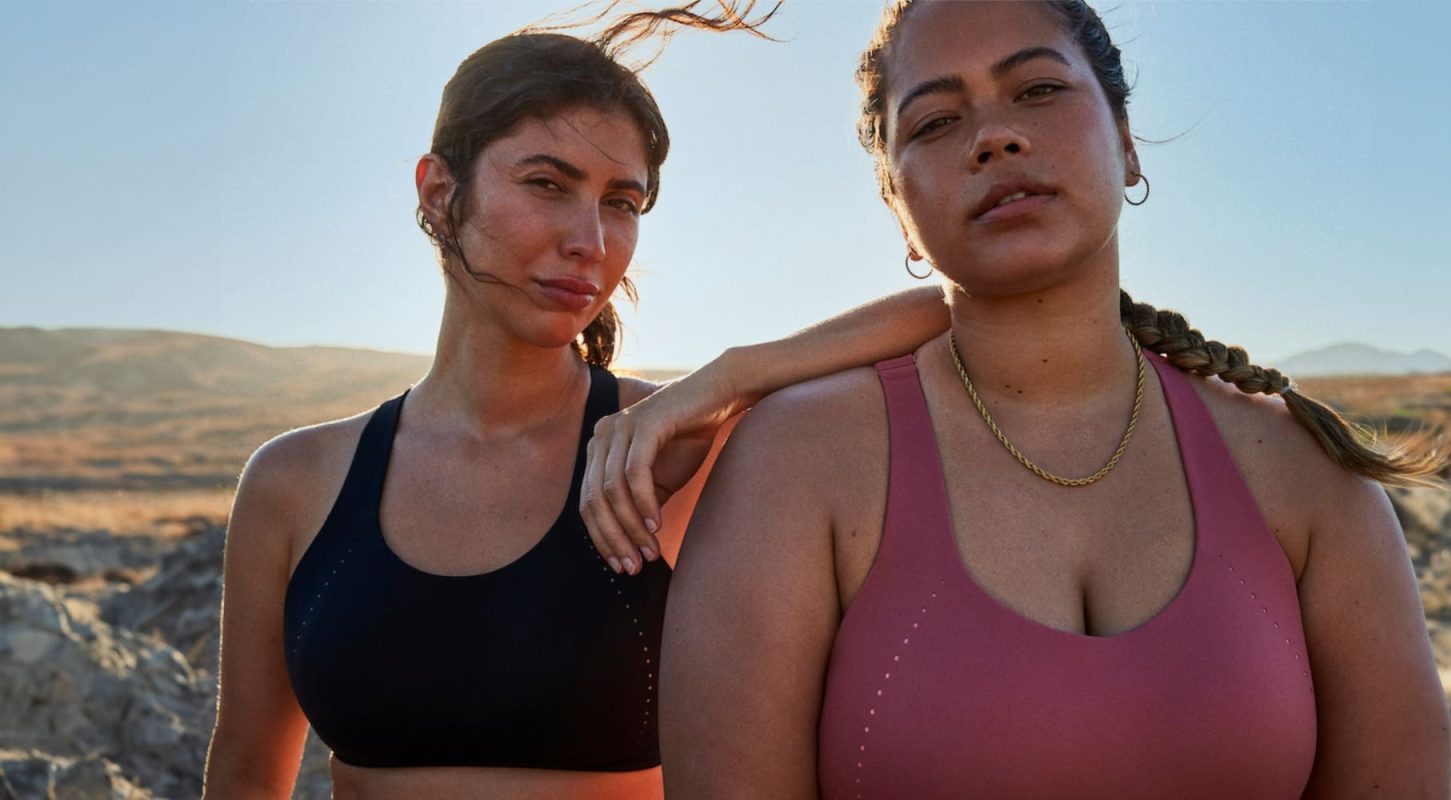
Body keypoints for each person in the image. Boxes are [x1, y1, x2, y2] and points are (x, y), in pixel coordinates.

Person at [618, 2, 1451, 797]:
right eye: (936, 121)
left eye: (1039, 90)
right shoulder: (793, 465)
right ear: (897, 212)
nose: (995, 136)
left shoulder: (1305, 477)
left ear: (1127, 144)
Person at [199, 5, 953, 798]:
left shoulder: (673, 454)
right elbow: (247, 775)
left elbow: (954, 308)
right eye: (546, 184)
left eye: (621, 203)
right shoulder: (294, 482)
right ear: (438, 192)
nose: (590, 239)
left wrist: (727, 379)